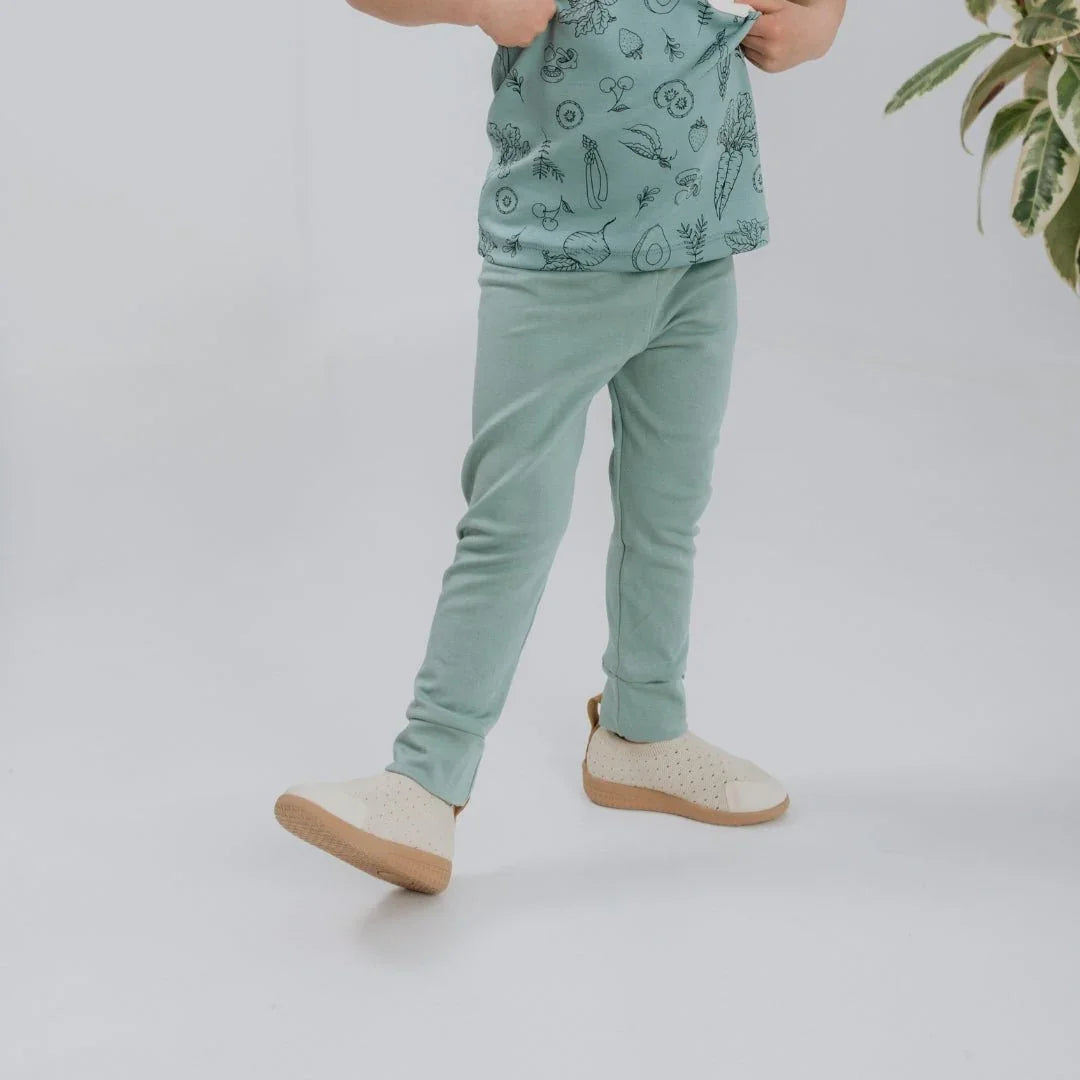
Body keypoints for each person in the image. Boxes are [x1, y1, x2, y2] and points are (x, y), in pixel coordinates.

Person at [274, 0, 846, 894]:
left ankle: (643, 730)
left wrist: (825, 21)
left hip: (701, 246)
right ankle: (424, 782)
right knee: (513, 522)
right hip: (557, 258)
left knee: (668, 510)